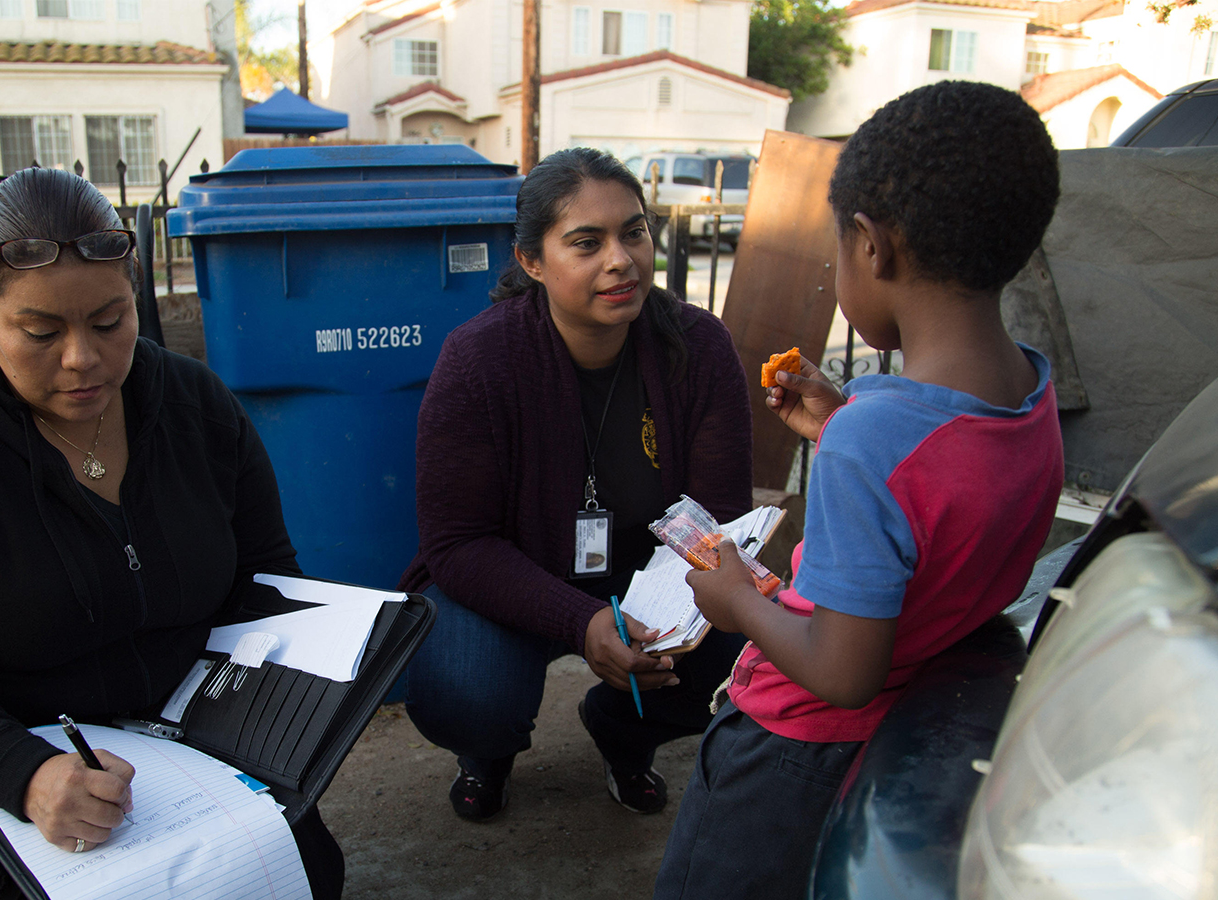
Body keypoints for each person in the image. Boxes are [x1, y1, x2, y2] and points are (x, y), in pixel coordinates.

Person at [0, 167, 343, 897]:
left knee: (307, 874)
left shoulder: (196, 406)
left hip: (199, 747)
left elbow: (265, 580)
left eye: (109, 322)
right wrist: (23, 773)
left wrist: (294, 700)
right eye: (40, 331)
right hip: (11, 755)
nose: (82, 359)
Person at [653, 81, 1065, 899]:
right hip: (905, 732)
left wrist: (734, 603)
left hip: (793, 750)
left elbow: (842, 671)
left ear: (873, 247)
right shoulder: (1027, 392)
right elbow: (946, 492)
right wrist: (843, 420)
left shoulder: (871, 444)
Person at [398, 147, 754, 821]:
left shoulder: (697, 347)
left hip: (649, 580)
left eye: (634, 232)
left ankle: (625, 731)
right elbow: (458, 544)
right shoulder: (479, 360)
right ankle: (488, 751)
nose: (621, 260)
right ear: (532, 261)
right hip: (511, 580)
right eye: (587, 243)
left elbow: (720, 517)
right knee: (466, 688)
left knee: (750, 652)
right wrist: (581, 621)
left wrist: (668, 616)